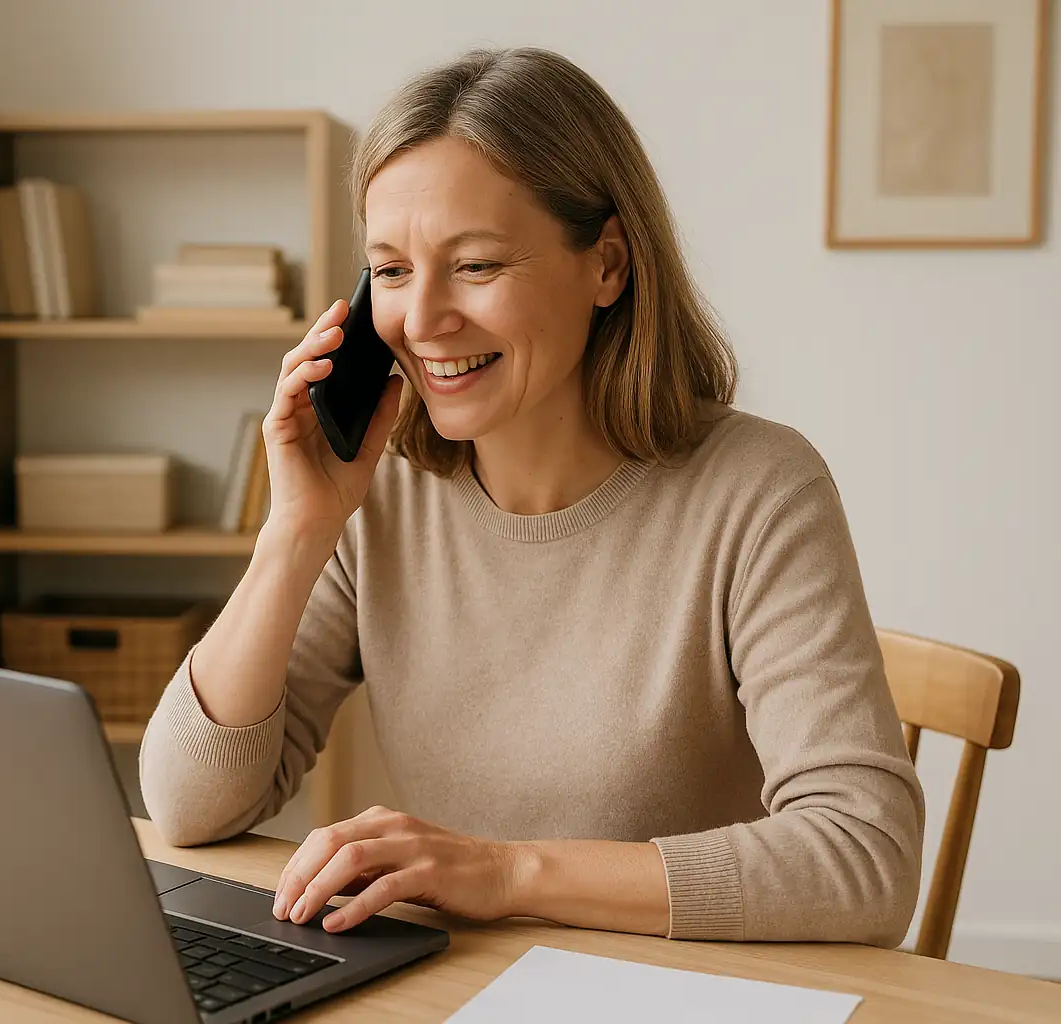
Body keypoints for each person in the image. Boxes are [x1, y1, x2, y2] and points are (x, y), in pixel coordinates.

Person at [139, 46, 923, 946]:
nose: (424, 320)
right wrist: (296, 529)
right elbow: (188, 806)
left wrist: (508, 871)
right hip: (463, 987)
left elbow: (865, 860)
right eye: (390, 270)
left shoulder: (759, 490)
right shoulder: (382, 493)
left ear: (609, 266)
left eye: (475, 266)